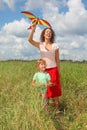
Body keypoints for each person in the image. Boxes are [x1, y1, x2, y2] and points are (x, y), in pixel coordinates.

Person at [28, 23, 62, 109]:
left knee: (54, 89)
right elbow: (30, 40)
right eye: (47, 32)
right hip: (43, 71)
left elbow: (57, 59)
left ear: (51, 35)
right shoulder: (40, 44)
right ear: (44, 34)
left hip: (53, 70)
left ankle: (57, 108)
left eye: (50, 32)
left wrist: (58, 71)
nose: (48, 33)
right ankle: (45, 109)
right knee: (44, 90)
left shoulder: (55, 45)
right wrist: (33, 29)